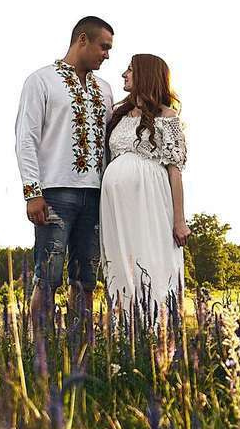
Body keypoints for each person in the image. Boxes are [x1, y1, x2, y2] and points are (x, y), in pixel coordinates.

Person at [13, 16, 115, 317]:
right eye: (103, 47)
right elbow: (25, 139)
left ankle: (81, 349)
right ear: (82, 39)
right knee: (48, 276)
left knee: (87, 280)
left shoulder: (105, 90)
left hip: (96, 195)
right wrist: (32, 192)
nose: (107, 55)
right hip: (54, 194)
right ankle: (40, 351)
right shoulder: (41, 80)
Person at [99, 52, 188, 320]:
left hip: (150, 201)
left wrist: (180, 219)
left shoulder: (167, 115)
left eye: (130, 70)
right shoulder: (117, 113)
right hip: (116, 207)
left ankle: (157, 328)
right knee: (119, 262)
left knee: (151, 260)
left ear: (146, 76)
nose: (124, 75)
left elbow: (175, 169)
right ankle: (125, 327)